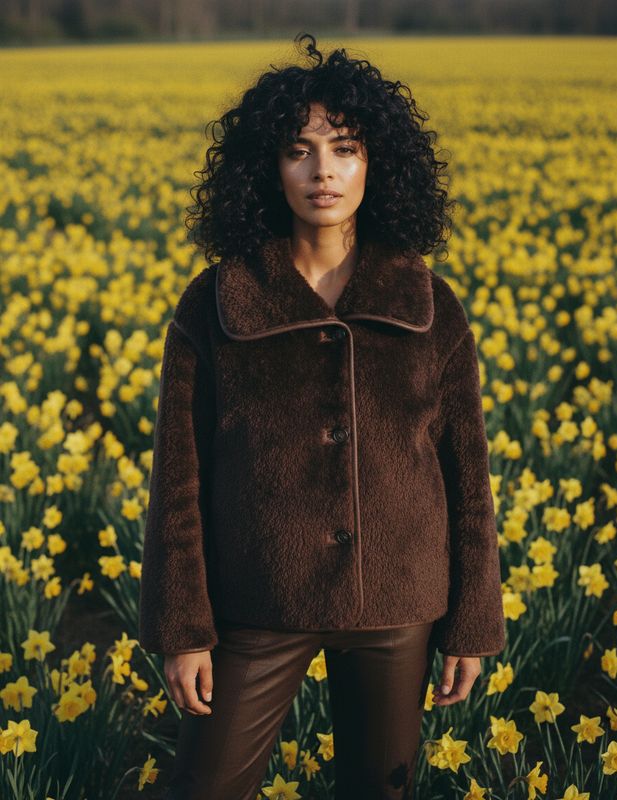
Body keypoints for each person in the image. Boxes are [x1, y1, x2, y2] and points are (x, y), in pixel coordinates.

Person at [138, 32, 506, 800]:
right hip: (256, 597)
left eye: (344, 148)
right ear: (268, 170)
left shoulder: (429, 303)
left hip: (397, 600)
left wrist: (473, 621)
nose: (323, 172)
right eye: (299, 151)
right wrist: (183, 628)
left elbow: (468, 477)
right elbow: (178, 479)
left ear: (378, 163)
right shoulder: (216, 301)